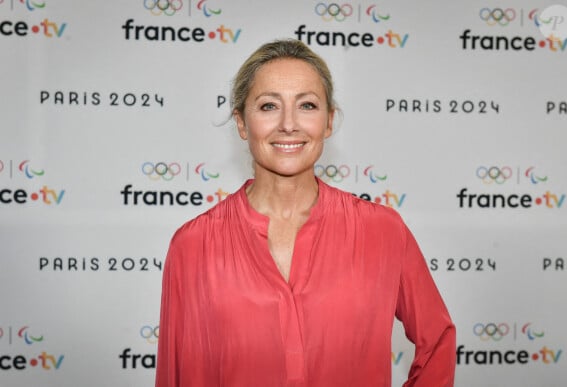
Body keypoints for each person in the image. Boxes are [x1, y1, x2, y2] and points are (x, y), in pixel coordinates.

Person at [155, 39, 456, 387]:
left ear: (328, 122)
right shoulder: (192, 245)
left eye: (307, 105)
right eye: (269, 106)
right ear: (241, 123)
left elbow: (437, 342)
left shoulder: (384, 231)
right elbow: (176, 375)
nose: (288, 124)